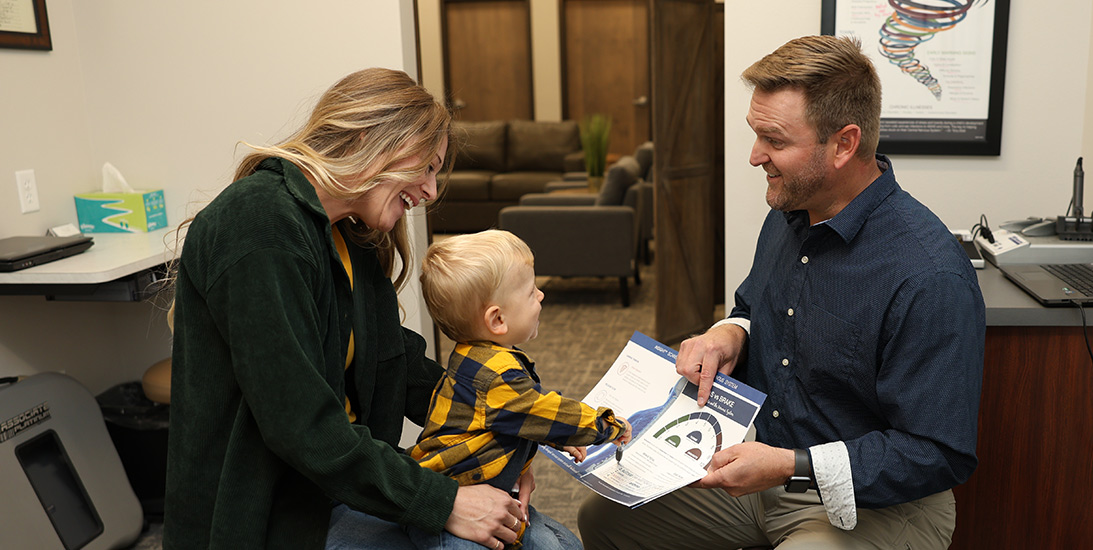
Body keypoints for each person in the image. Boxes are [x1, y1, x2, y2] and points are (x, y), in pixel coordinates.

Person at [577, 35, 986, 549]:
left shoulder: (928, 276)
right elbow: (753, 308)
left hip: (873, 504)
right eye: (756, 134)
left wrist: (792, 465)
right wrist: (728, 334)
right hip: (767, 469)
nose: (754, 157)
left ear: (844, 143)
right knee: (602, 519)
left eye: (775, 140)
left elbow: (937, 453)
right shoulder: (789, 212)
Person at [166, 68, 527, 550]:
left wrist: (513, 427)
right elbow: (303, 427)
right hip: (277, 513)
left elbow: (397, 364)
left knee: (539, 536)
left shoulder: (347, 233)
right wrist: (441, 501)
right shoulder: (259, 227)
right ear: (369, 138)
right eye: (428, 167)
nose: (430, 191)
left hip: (337, 487)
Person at [411, 229, 633, 549]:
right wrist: (608, 426)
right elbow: (548, 411)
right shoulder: (498, 377)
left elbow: (521, 417)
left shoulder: (472, 356)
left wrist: (554, 437)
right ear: (497, 319)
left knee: (565, 543)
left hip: (485, 486)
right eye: (531, 292)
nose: (541, 295)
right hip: (451, 515)